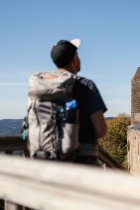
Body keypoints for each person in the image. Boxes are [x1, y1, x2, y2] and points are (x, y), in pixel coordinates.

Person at [50, 38, 107, 166]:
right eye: (78, 55)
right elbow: (101, 130)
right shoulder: (86, 86)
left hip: (50, 161)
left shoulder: (43, 87)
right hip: (81, 162)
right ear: (75, 59)